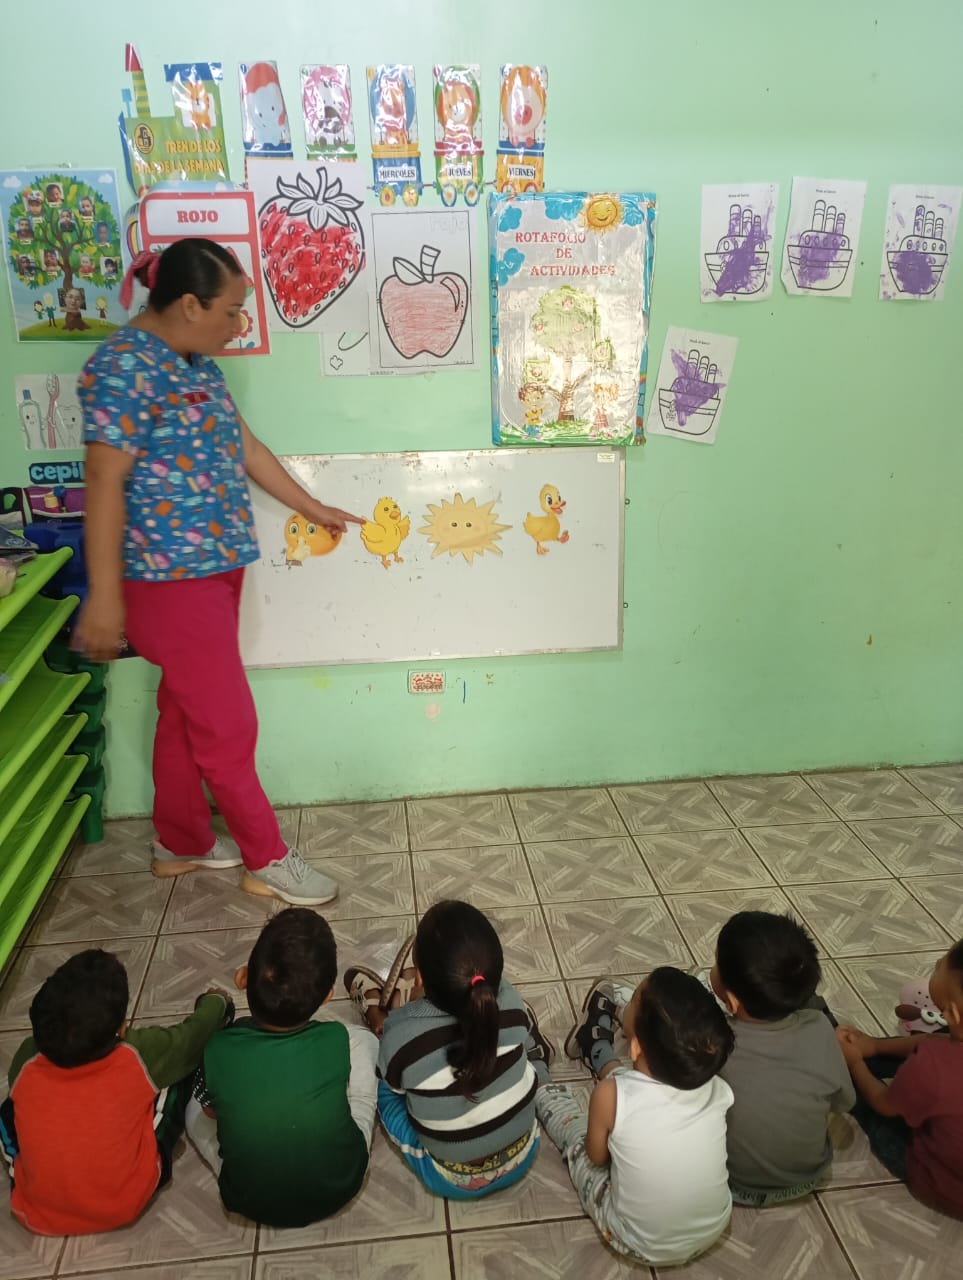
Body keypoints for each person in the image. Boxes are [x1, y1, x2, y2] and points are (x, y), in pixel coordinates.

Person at [76, 239, 363, 906]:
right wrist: (104, 596)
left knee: (185, 712)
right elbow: (103, 480)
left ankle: (180, 842)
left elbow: (247, 448)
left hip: (213, 569)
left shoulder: (196, 365)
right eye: (231, 311)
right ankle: (268, 858)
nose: (239, 325)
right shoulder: (121, 367)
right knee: (228, 726)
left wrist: (313, 507)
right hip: (168, 581)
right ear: (188, 304)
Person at [0, 949, 232, 1236]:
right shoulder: (135, 1052)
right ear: (121, 1029)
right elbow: (191, 1038)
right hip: (125, 1202)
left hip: (37, 1211)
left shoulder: (25, 1057)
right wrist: (216, 1002)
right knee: (175, 1077)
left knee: (9, 1109)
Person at [185, 909, 378, 1227]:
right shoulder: (335, 1038)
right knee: (364, 1041)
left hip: (248, 1198)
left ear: (242, 977)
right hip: (341, 1183)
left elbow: (209, 1112)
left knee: (194, 1109)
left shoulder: (216, 1048)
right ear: (327, 997)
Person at [347, 900, 548, 1199]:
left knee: (386, 1084)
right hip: (523, 1152)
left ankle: (379, 1015)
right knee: (514, 1044)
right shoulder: (511, 1003)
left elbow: (396, 1084)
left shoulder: (401, 1034)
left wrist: (410, 1013)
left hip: (452, 1178)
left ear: (420, 978)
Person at [549, 969, 734, 1264]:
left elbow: (597, 1157)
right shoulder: (719, 1089)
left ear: (635, 1047)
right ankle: (598, 1053)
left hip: (638, 1243)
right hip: (713, 1229)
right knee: (627, 1094)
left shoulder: (609, 1096)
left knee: (576, 1137)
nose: (629, 1002)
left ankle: (543, 1083)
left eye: (632, 999)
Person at [709, 911, 855, 1205]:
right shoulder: (820, 1027)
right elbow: (845, 1101)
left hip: (733, 1183)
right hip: (808, 1179)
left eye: (716, 964)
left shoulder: (715, 1039)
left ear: (733, 1001)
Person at [836, 941, 963, 1218]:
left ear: (952, 1014)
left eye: (940, 965)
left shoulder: (932, 1065)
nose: (937, 964)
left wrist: (855, 1062)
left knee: (868, 1103)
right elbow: (937, 1041)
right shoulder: (942, 1049)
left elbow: (883, 1104)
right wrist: (874, 1046)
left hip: (947, 1188)